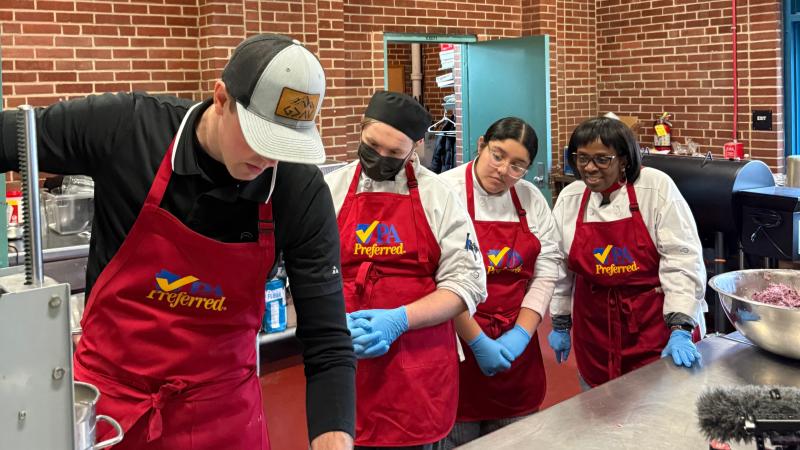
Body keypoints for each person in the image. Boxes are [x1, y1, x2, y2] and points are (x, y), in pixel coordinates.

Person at [0, 34, 354, 450]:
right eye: (261, 139)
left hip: (224, 417)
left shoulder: (298, 189)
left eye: (285, 146)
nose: (269, 160)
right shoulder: (129, 130)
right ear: (221, 98)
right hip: (112, 415)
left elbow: (327, 340)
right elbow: (12, 137)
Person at [324, 91, 487, 450]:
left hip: (417, 363)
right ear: (361, 130)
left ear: (415, 147)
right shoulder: (329, 190)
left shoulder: (438, 196)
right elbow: (308, 272)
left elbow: (467, 283)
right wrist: (329, 321)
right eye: (371, 146)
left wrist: (399, 319)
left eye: (395, 153)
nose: (380, 159)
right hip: (344, 357)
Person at [548, 116, 707, 391]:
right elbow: (560, 268)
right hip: (594, 330)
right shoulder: (570, 198)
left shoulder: (655, 188)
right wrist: (560, 321)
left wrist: (680, 327)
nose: (589, 168)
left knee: (658, 411)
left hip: (653, 328)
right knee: (599, 410)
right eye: (581, 158)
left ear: (623, 160)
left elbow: (681, 259)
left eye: (602, 159)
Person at [438, 117, 563, 448]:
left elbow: (547, 266)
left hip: (515, 355)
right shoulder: (443, 191)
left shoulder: (530, 198)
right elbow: (437, 278)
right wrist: (477, 341)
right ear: (481, 145)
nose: (503, 170)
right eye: (497, 155)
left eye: (517, 166)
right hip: (456, 346)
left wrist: (522, 333)